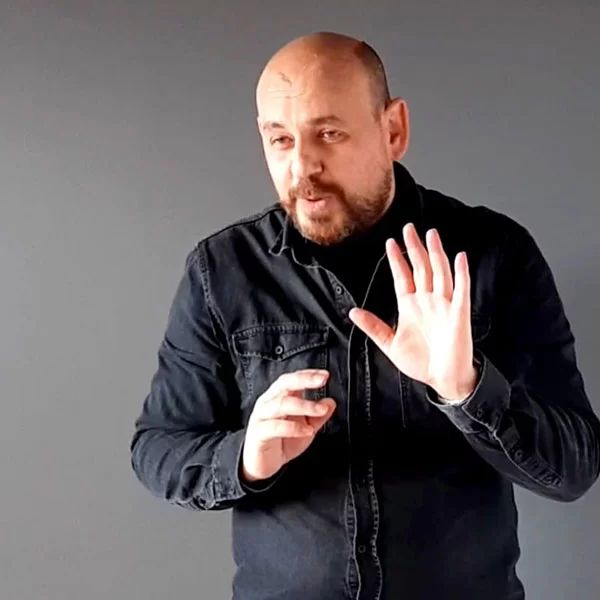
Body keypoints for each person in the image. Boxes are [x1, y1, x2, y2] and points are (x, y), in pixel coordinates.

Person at [129, 31, 600, 600]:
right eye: (280, 139)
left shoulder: (496, 255)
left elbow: (574, 467)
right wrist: (245, 458)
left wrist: (467, 389)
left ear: (393, 129)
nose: (302, 167)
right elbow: (157, 450)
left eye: (328, 133)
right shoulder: (222, 270)